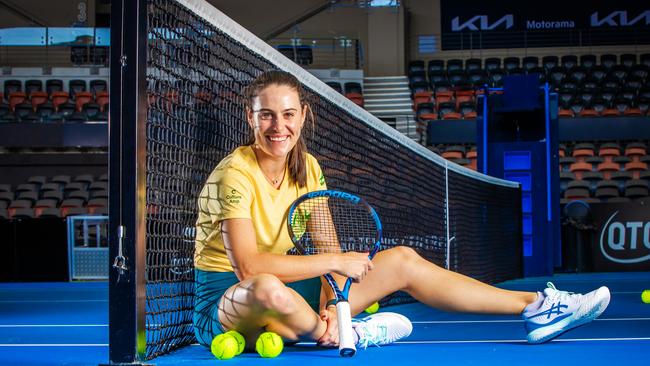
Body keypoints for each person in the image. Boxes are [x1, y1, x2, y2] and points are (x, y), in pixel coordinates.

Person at [193, 70, 610, 351]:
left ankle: (536, 307)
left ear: (303, 116)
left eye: (287, 114)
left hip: (293, 292)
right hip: (232, 302)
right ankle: (344, 333)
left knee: (404, 261)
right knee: (267, 287)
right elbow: (248, 267)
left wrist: (336, 302)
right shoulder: (236, 173)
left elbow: (328, 248)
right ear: (250, 118)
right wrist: (337, 267)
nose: (277, 127)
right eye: (266, 115)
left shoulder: (309, 168)